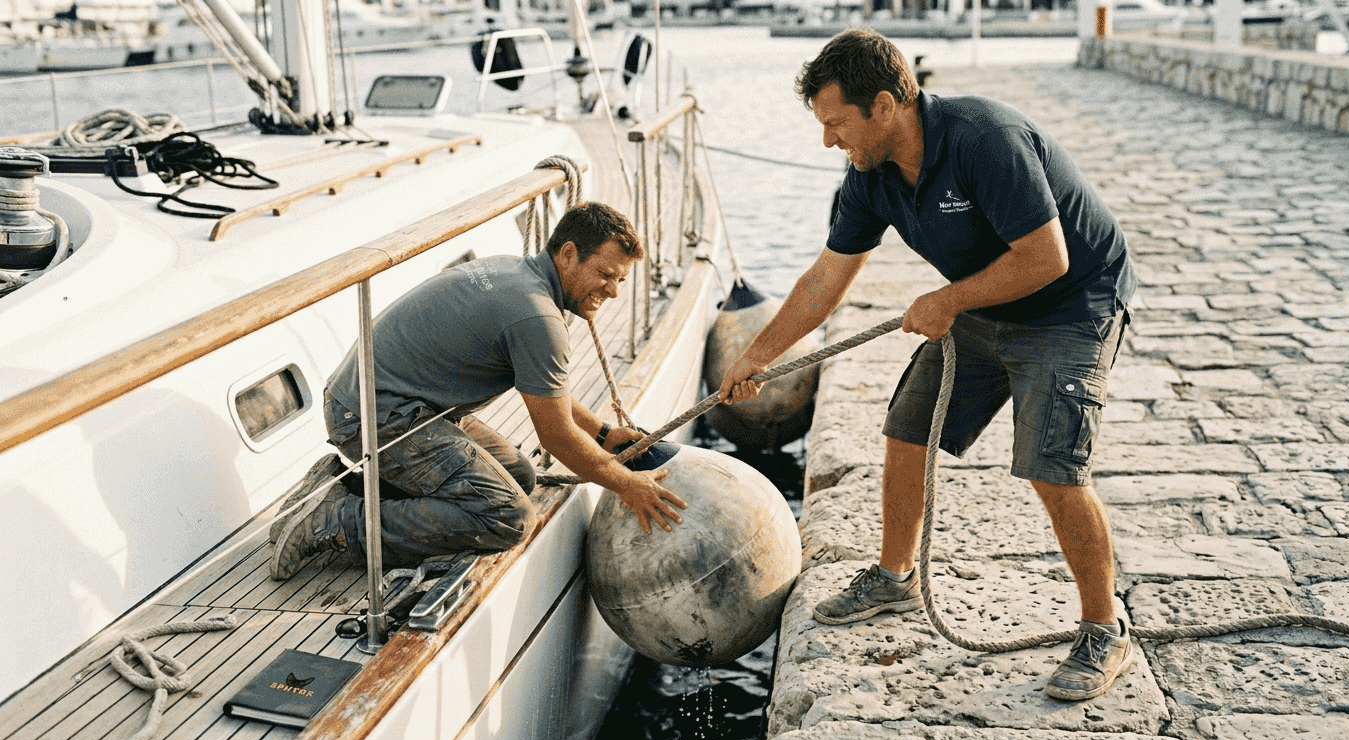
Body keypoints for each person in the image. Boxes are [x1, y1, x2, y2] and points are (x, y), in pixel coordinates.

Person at [717, 28, 1137, 701]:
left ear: (885, 105)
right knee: (907, 426)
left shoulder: (982, 138)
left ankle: (1102, 629)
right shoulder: (867, 175)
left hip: (1071, 305)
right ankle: (895, 577)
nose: (829, 141)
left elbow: (1046, 258)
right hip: (985, 301)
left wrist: (949, 298)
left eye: (835, 124)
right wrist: (758, 357)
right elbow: (827, 278)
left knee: (1052, 469)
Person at [272, 201, 687, 580]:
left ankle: (340, 488)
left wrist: (601, 435)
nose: (613, 291)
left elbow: (547, 389)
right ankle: (338, 521)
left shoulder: (516, 272)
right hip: (375, 416)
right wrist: (629, 486)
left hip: (383, 401)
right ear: (568, 254)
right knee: (507, 517)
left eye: (620, 279)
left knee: (519, 475)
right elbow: (556, 436)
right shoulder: (537, 317)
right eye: (606, 275)